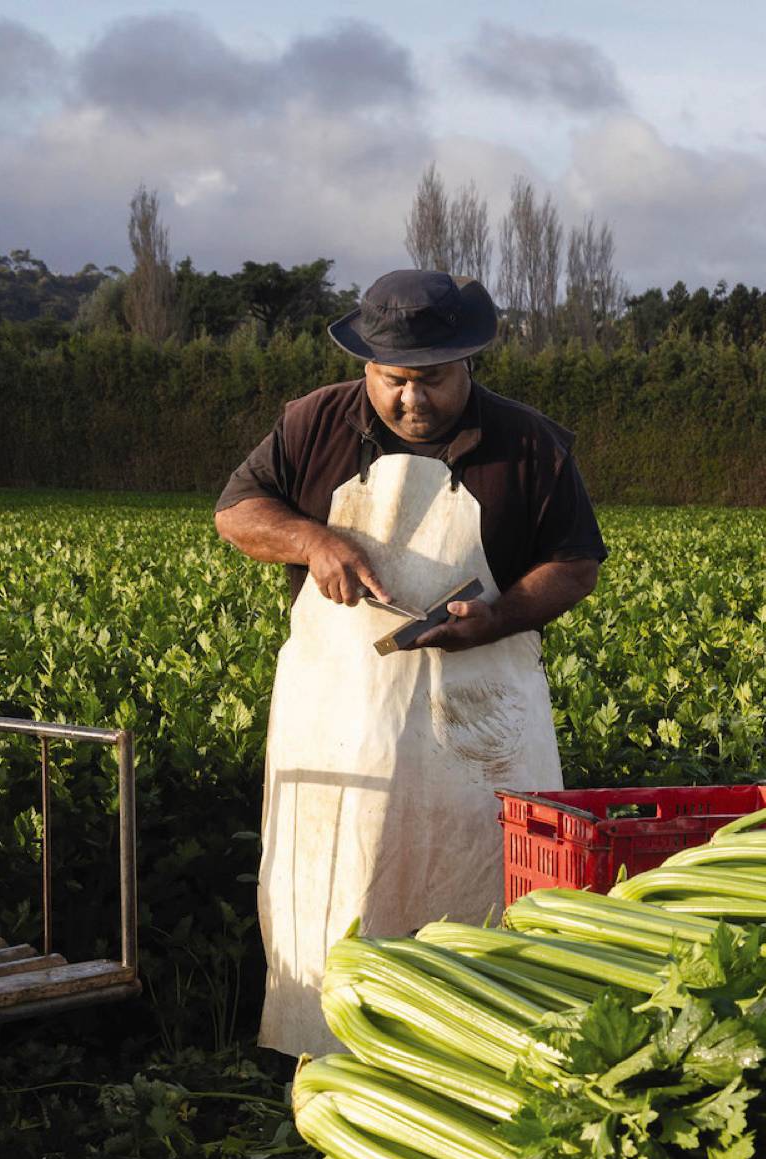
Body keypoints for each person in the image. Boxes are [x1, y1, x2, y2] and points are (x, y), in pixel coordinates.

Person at [214, 268, 606, 1056]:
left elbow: (575, 564)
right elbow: (238, 513)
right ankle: (322, 1056)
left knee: (476, 895)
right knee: (334, 887)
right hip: (339, 721)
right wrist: (313, 540)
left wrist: (498, 616)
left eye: (431, 382)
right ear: (368, 367)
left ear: (469, 366)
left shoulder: (529, 443)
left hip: (478, 725)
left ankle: (481, 1059)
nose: (412, 402)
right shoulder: (312, 422)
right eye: (394, 381)